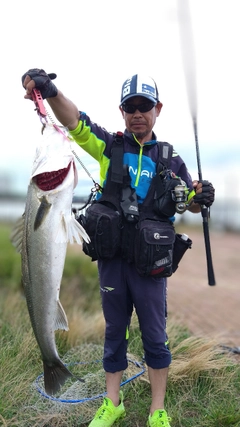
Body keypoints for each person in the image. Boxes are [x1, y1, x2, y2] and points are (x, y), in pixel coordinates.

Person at [22, 69, 215, 427]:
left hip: (150, 268)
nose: (137, 113)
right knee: (114, 335)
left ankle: (158, 410)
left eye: (144, 106)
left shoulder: (172, 160)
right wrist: (50, 92)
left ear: (158, 108)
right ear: (122, 111)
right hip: (112, 263)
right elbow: (75, 121)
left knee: (156, 338)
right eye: (130, 107)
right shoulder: (109, 146)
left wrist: (201, 197)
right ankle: (113, 403)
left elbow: (190, 201)